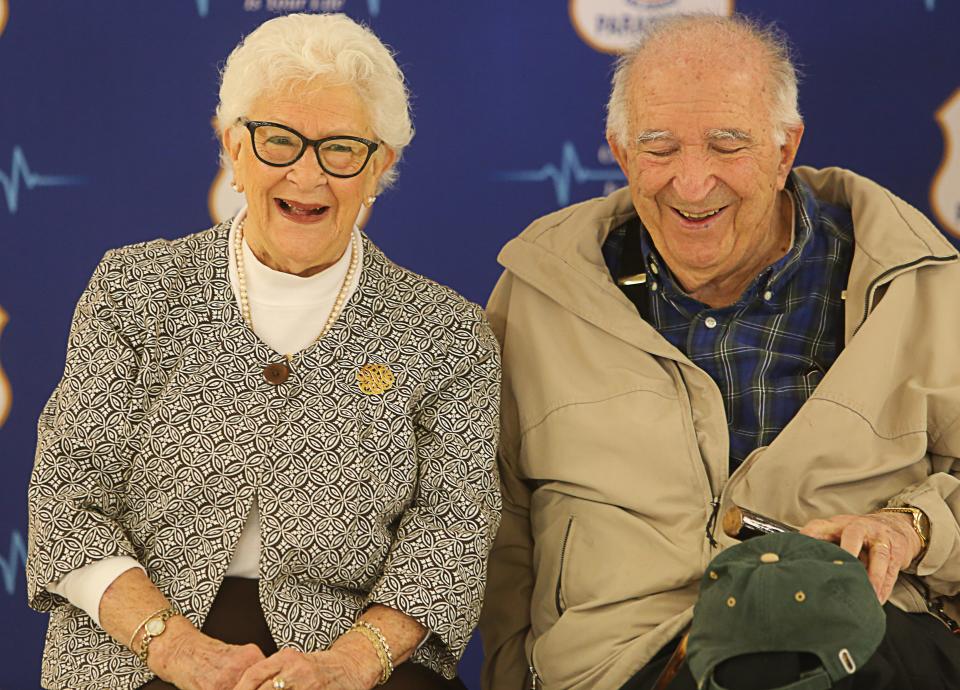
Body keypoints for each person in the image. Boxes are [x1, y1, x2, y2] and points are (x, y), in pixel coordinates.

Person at [479, 13, 960, 690]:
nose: (693, 182)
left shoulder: (923, 288)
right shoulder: (539, 293)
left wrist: (913, 526)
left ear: (786, 148)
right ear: (619, 152)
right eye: (660, 148)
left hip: (856, 651)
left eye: (727, 146)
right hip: (624, 666)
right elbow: (500, 529)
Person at [26, 13, 500, 690]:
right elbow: (67, 501)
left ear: (379, 167)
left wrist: (351, 662)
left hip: (357, 652)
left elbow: (452, 529)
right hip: (137, 647)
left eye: (340, 149)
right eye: (279, 141)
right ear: (234, 149)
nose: (307, 175)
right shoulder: (135, 289)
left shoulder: (448, 333)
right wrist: (171, 645)